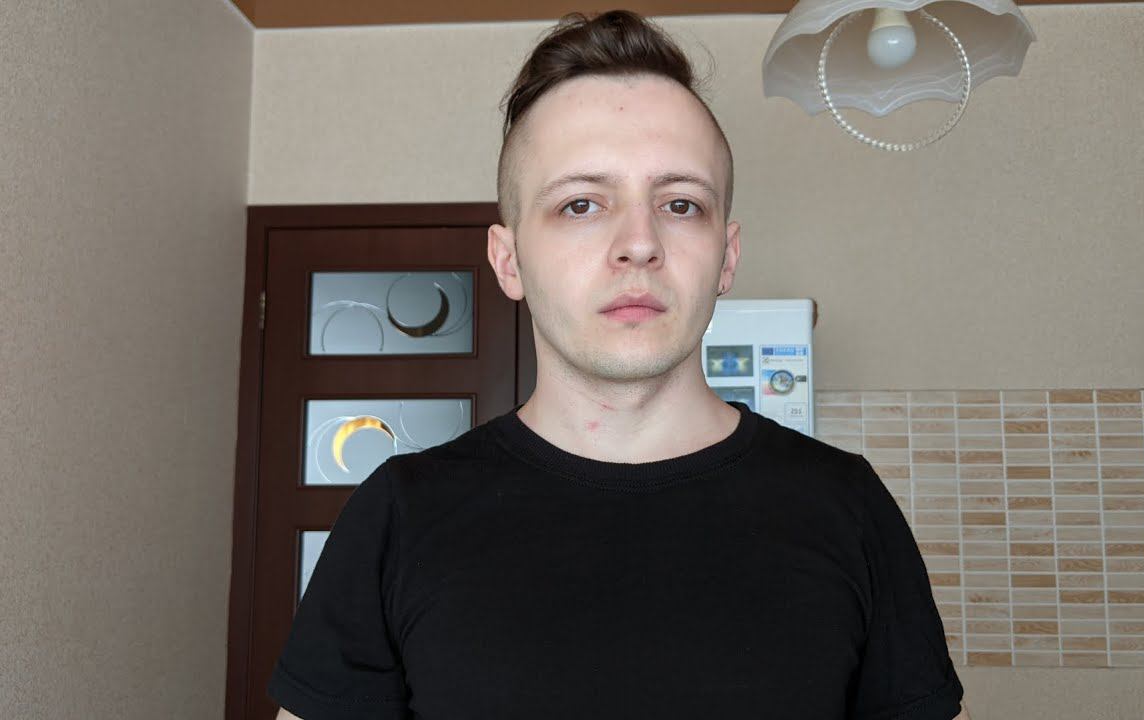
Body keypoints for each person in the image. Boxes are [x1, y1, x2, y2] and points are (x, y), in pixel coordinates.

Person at [270, 9, 970, 720]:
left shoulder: (848, 507)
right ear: (508, 260)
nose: (639, 243)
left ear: (726, 257)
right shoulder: (397, 517)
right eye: (581, 204)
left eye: (680, 204)